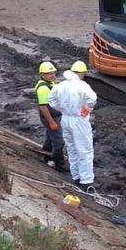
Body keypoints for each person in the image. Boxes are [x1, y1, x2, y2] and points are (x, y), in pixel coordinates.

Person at [47, 60, 98, 189]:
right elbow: (92, 98)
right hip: (79, 120)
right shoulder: (83, 85)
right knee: (85, 149)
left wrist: (62, 109)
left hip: (66, 118)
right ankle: (86, 181)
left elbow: (51, 99)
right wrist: (86, 109)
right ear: (81, 73)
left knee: (72, 148)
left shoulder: (61, 85)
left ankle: (76, 176)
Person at [35, 61, 65, 172]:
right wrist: (51, 122)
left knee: (49, 137)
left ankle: (46, 156)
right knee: (59, 141)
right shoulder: (43, 88)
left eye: (53, 73)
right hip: (50, 117)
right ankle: (59, 165)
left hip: (54, 115)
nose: (53, 75)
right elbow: (43, 107)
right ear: (42, 75)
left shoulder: (50, 83)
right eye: (49, 73)